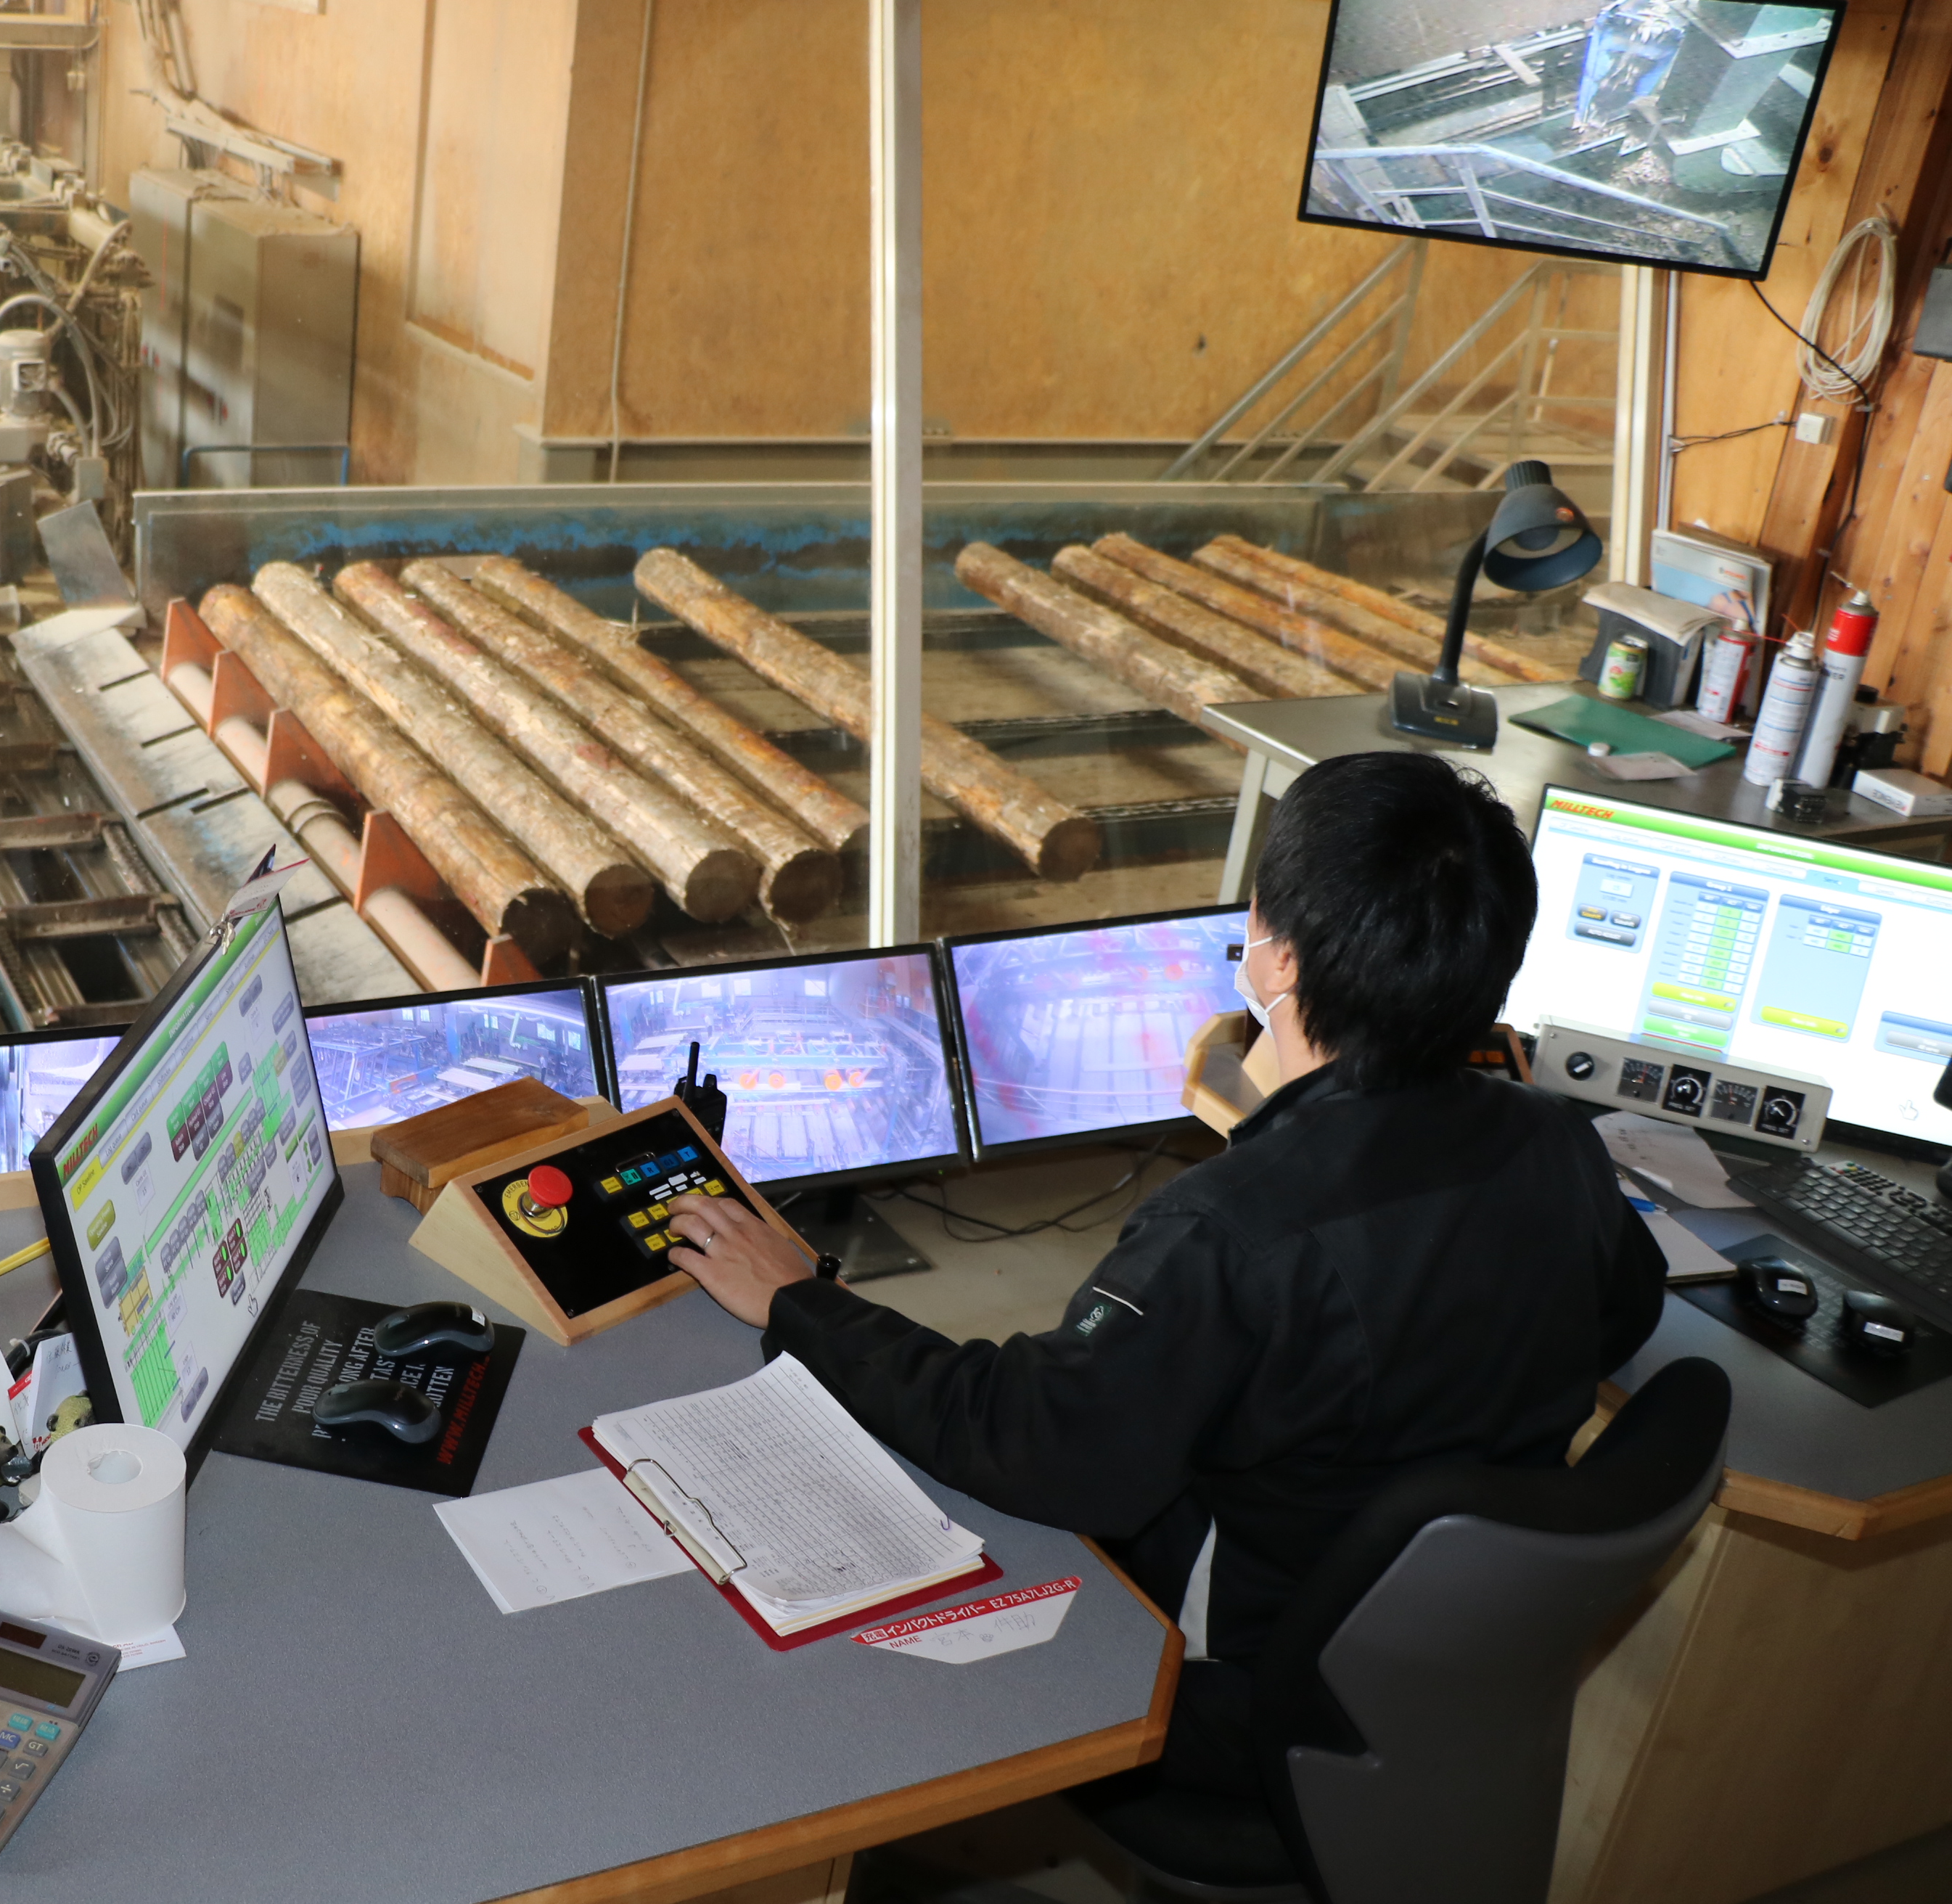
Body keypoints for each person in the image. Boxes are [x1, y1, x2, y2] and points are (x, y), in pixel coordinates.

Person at [662, 750, 1663, 1810]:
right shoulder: (1556, 1141)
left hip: (1241, 1688)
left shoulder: (1229, 1232)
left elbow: (1035, 1444)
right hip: (1435, 1659)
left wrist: (800, 1300)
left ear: (1278, 958)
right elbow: (1619, 1313)